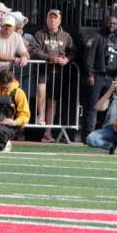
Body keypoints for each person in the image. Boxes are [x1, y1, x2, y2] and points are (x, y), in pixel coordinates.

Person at [31, 8, 77, 142]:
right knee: (41, 90)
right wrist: (50, 58)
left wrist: (67, 59)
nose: (52, 20)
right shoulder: (40, 34)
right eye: (50, 17)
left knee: (52, 102)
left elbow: (73, 51)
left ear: (59, 21)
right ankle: (41, 115)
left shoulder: (66, 36)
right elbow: (35, 50)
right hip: (43, 69)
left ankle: (48, 132)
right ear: (46, 19)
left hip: (58, 73)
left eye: (55, 18)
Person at [82, 15, 117, 139]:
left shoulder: (116, 40)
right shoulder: (96, 37)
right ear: (105, 23)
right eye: (110, 22)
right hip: (97, 76)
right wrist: (90, 74)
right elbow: (89, 57)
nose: (112, 25)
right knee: (92, 107)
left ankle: (102, 136)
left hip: (110, 78)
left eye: (114, 23)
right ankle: (88, 135)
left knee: (107, 108)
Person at [85, 75, 117, 154]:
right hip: (110, 129)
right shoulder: (111, 98)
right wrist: (110, 90)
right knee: (91, 139)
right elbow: (98, 107)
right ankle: (112, 147)